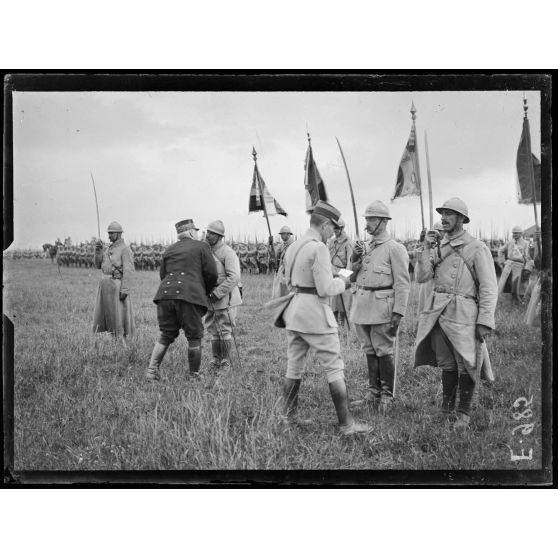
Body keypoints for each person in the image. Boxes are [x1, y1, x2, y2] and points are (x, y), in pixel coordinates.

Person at [281, 200, 370, 436]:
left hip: (295, 311)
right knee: (334, 366)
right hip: (315, 314)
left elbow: (312, 274)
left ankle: (289, 420)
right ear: (325, 224)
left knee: (294, 367)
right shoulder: (318, 247)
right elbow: (326, 287)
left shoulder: (295, 246)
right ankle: (347, 425)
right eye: (332, 228)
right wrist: (347, 281)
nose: (333, 233)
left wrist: (351, 269)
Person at [413, 198, 497, 430]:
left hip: (463, 312)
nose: (444, 218)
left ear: (462, 219)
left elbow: (489, 287)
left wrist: (485, 320)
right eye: (442, 213)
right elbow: (421, 278)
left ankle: (464, 413)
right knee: (447, 363)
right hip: (438, 311)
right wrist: (427, 248)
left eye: (450, 214)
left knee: (467, 362)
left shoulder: (476, 248)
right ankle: (446, 409)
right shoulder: (439, 246)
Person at [349, 201, 410, 413]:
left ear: (384, 222)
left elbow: (403, 283)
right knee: (368, 349)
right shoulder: (364, 247)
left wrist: (398, 312)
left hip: (382, 307)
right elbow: (351, 277)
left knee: (383, 350)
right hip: (362, 305)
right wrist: (355, 258)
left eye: (372, 219)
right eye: (366, 219)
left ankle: (387, 394)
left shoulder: (395, 248)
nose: (367, 224)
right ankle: (372, 392)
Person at [146, 219, 218, 381]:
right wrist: (202, 292)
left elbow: (163, 275)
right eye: (196, 232)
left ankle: (151, 371)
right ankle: (194, 376)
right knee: (194, 336)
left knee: (166, 334)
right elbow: (212, 274)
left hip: (164, 296)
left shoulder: (169, 249)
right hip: (189, 297)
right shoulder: (202, 247)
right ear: (192, 233)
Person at [204, 220, 243, 372]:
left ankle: (225, 360)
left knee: (225, 329)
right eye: (207, 232)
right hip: (209, 297)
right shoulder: (206, 251)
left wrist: (217, 293)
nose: (208, 235)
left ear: (219, 236)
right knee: (213, 329)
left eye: (211, 233)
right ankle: (215, 359)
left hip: (225, 298)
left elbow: (234, 277)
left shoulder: (228, 252)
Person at [93, 221, 135, 337]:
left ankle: (121, 342)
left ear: (118, 234)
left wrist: (125, 290)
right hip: (105, 286)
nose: (109, 236)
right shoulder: (107, 249)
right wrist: (98, 251)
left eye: (111, 233)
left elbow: (129, 272)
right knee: (107, 317)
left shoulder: (125, 249)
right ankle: (112, 341)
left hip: (117, 286)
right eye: (109, 233)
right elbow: (97, 266)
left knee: (118, 318)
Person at [327, 218, 354, 327]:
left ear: (342, 228)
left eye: (337, 228)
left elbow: (349, 260)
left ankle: (342, 321)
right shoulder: (332, 241)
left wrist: (345, 276)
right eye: (334, 228)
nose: (335, 230)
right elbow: (328, 257)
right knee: (333, 298)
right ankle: (333, 320)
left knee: (343, 297)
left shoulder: (348, 242)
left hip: (343, 271)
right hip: (332, 270)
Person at [497, 226, 532, 302]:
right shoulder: (509, 242)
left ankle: (519, 300)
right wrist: (502, 261)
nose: (514, 234)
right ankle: (497, 299)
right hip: (508, 264)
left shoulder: (526, 243)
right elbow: (500, 250)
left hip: (519, 265)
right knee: (504, 283)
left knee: (518, 284)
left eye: (516, 233)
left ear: (520, 233)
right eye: (513, 233)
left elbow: (527, 256)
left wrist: (526, 267)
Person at [417, 221, 445, 314]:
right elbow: (420, 269)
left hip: (439, 286)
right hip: (427, 285)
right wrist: (423, 244)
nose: (437, 234)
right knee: (424, 310)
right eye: (435, 231)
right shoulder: (428, 248)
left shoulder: (446, 248)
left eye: (440, 231)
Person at [272, 225, 295, 298]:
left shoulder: (293, 245)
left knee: (287, 293)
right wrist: (271, 245)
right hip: (282, 270)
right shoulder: (282, 245)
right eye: (281, 234)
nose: (281, 236)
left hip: (289, 271)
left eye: (283, 234)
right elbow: (274, 255)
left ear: (288, 234)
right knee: (279, 293)